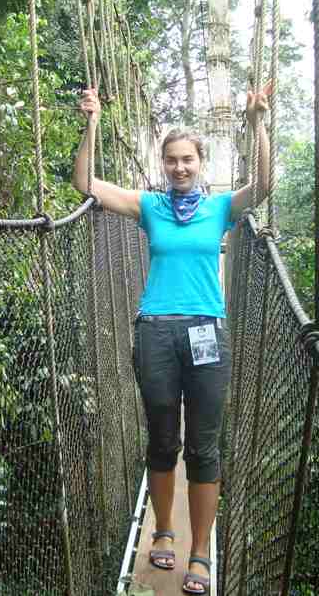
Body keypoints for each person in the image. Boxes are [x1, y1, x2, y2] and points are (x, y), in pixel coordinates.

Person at [73, 83, 272, 594]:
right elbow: (85, 185)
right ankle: (163, 530)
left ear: (201, 162)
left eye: (187, 160)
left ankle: (199, 551)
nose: (179, 168)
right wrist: (92, 122)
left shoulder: (222, 208)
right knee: (163, 440)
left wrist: (257, 122)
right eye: (171, 161)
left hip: (207, 330)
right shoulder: (150, 206)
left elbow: (265, 187)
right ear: (162, 164)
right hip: (156, 332)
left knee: (204, 446)